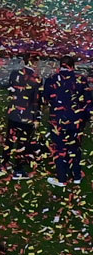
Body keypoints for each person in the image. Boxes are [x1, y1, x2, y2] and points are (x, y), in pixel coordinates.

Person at [46, 56, 86, 187]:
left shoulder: (51, 79)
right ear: (72, 66)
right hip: (76, 121)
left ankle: (62, 178)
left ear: (60, 65)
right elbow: (88, 101)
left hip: (58, 121)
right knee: (75, 148)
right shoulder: (81, 80)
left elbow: (45, 98)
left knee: (60, 149)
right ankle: (76, 176)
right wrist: (84, 120)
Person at [1, 55, 43, 180]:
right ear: (34, 63)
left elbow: (11, 92)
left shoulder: (14, 74)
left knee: (9, 140)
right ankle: (18, 170)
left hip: (14, 114)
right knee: (22, 143)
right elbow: (36, 101)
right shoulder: (36, 79)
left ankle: (3, 165)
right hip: (27, 116)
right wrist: (37, 118)